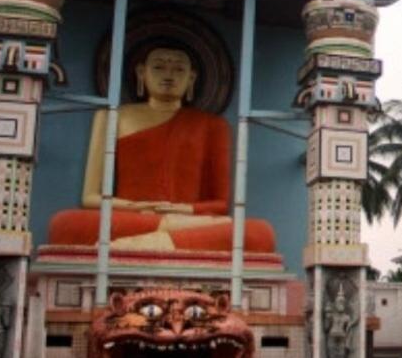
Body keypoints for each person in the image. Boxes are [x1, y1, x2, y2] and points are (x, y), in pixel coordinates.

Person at [47, 44, 275, 252]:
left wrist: (178, 211)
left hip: (187, 220)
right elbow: (90, 197)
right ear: (141, 72)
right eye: (158, 67)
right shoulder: (111, 117)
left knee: (258, 232)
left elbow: (220, 205)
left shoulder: (213, 125)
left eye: (178, 70)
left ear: (192, 78)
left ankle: (138, 245)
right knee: (65, 223)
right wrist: (137, 207)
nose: (168, 76)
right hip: (132, 218)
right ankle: (165, 239)